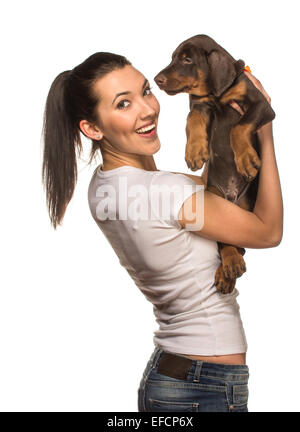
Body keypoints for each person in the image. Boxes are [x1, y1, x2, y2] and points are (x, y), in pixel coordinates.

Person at [41, 52, 283, 412]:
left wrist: (227, 125)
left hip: (175, 380)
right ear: (92, 128)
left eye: (146, 91)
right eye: (124, 104)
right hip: (204, 387)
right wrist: (262, 129)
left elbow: (211, 190)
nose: (148, 109)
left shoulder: (104, 188)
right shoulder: (165, 193)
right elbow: (268, 231)